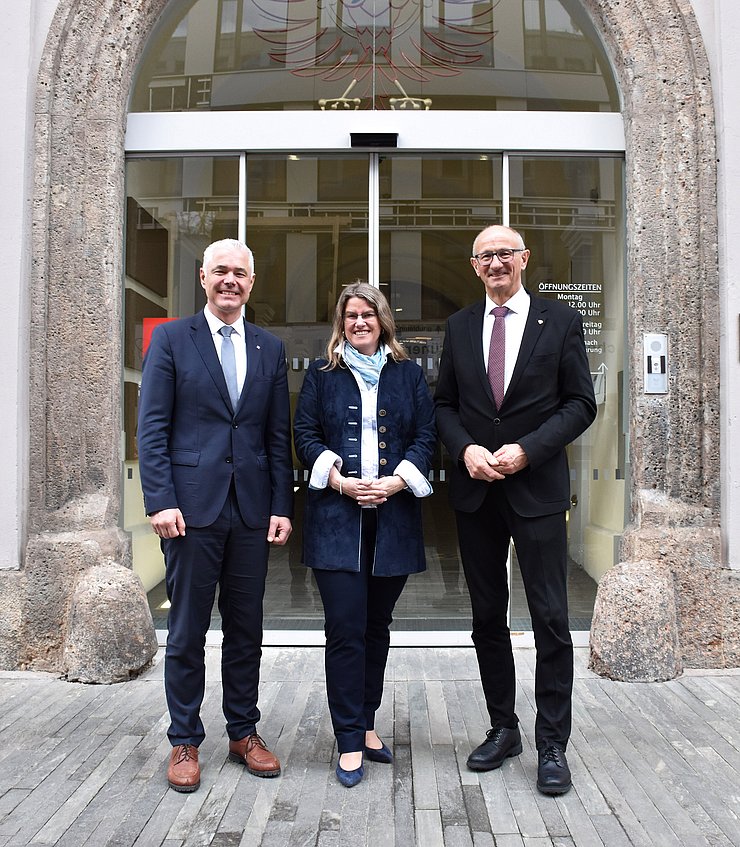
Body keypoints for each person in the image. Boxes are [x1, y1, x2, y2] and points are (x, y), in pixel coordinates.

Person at [434, 225, 597, 796]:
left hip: (537, 491)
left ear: (524, 259)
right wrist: (465, 448)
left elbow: (582, 404)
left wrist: (529, 448)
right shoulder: (456, 328)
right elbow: (444, 405)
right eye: (486, 256)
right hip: (477, 492)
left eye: (506, 253)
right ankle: (504, 727)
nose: (496, 262)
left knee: (552, 617)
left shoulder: (560, 321)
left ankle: (552, 742)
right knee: (486, 619)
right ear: (474, 265)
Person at [137, 238, 293, 793]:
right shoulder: (173, 340)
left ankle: (243, 731)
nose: (230, 280)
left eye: (240, 273)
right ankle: (184, 738)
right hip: (189, 509)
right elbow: (152, 428)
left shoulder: (269, 347)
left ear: (252, 283)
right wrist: (159, 500)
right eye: (220, 271)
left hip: (251, 510)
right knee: (186, 630)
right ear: (203, 278)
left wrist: (281, 505)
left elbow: (277, 436)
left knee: (246, 629)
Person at [293, 282, 436, 788]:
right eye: (351, 315)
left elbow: (426, 435)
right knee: (345, 631)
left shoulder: (409, 376)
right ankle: (348, 736)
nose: (359, 323)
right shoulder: (322, 375)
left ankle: (367, 721)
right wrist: (338, 478)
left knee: (377, 629)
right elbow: (304, 435)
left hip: (392, 521)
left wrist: (398, 480)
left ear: (382, 322)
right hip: (337, 519)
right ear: (342, 323)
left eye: (368, 315)